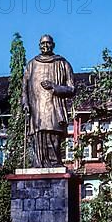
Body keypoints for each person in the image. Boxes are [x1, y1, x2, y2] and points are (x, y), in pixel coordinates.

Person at [21, 34, 75, 167]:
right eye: (43, 43)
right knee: (38, 137)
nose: (45, 46)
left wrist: (55, 87)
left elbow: (72, 89)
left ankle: (55, 162)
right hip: (36, 109)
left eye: (48, 43)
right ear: (39, 46)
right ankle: (39, 163)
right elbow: (24, 88)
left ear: (53, 45)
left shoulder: (62, 63)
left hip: (54, 108)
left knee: (53, 136)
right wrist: (25, 103)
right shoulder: (31, 65)